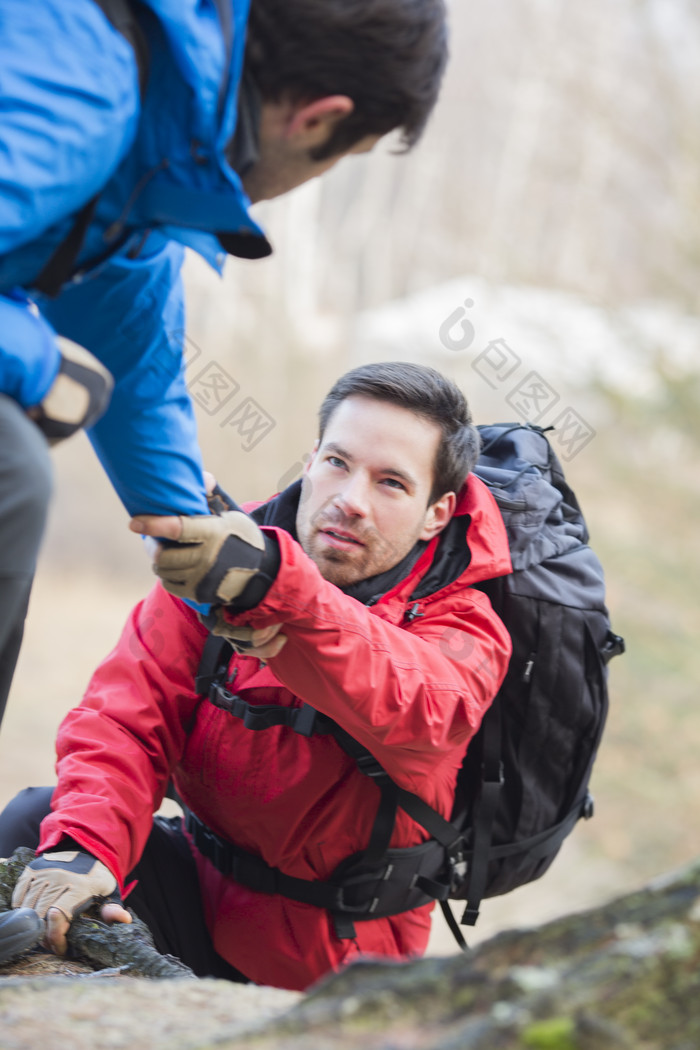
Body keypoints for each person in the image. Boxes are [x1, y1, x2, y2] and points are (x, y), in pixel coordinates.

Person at [0, 0, 449, 724]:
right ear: (316, 119)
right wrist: (36, 364)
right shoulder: (80, 79)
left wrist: (213, 553)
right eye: (341, 156)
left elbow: (137, 364)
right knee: (10, 462)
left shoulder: (154, 137)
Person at [0, 362, 512, 991]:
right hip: (200, 886)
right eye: (337, 463)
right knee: (36, 822)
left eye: (391, 483)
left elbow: (421, 705)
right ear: (310, 460)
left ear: (437, 512)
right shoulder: (221, 558)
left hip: (330, 956)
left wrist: (273, 589)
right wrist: (88, 849)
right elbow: (127, 717)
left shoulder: (464, 623)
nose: (350, 500)